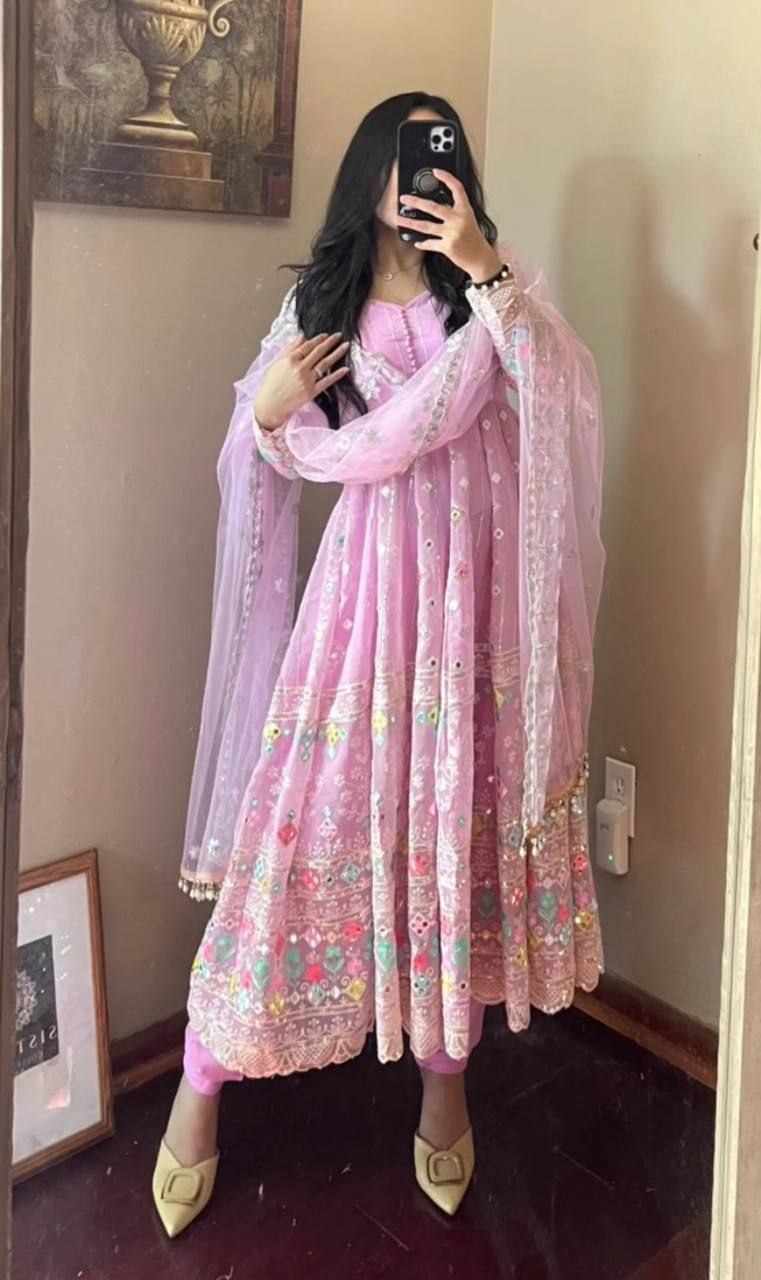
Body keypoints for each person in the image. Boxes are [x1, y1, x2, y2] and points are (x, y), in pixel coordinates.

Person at [152, 91, 606, 1238]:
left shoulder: (493, 291)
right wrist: (266, 414)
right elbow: (272, 447)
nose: (418, 178)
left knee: (453, 836)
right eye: (403, 158)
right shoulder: (320, 303)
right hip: (361, 615)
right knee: (297, 840)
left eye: (436, 156)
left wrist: (485, 268)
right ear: (368, 172)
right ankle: (200, 1081)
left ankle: (445, 1087)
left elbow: (561, 401)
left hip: (471, 624)